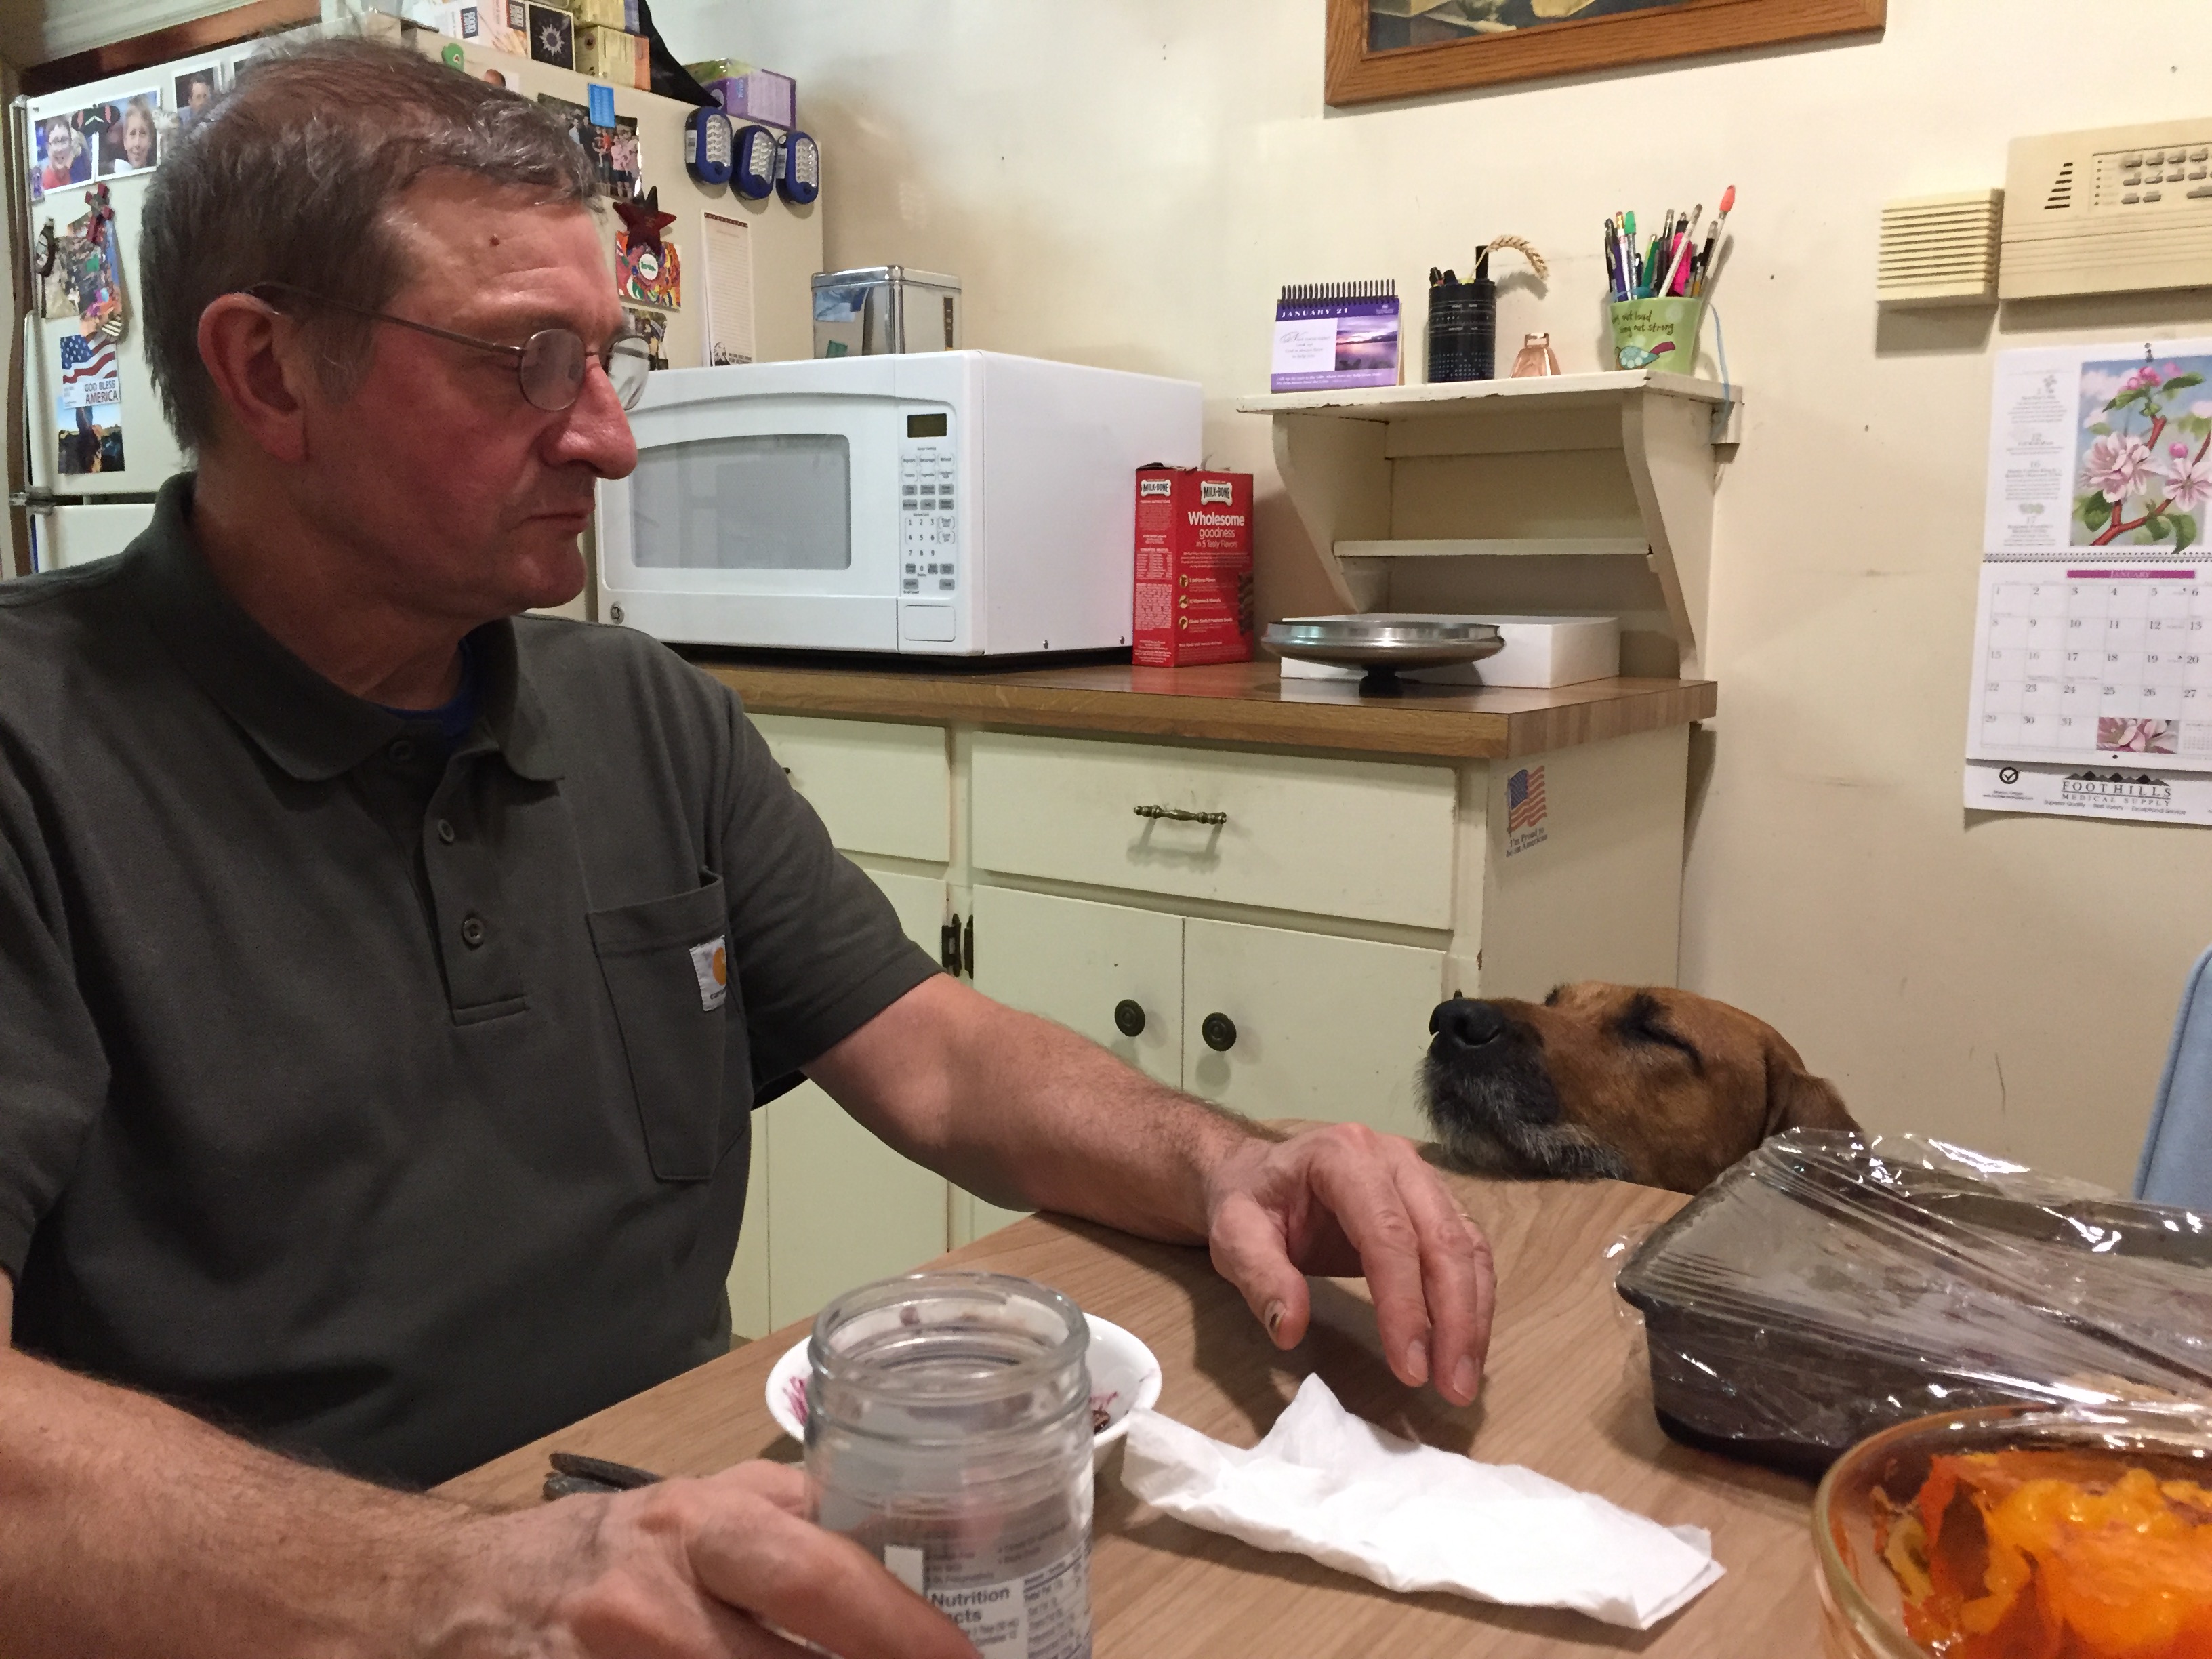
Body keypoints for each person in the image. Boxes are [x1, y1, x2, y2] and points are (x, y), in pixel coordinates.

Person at [0, 37, 1496, 1658]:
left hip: (663, 1532)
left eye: (606, 361)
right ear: (271, 372)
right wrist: (470, 1579)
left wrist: (1225, 1163)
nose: (609, 440)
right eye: (527, 361)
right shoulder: (35, 749)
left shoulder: (642, 715)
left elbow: (940, 1060)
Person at [102, 95, 159, 174]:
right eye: (132, 134)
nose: (137, 143)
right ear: (125, 141)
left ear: (150, 140)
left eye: (143, 133)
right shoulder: (111, 171)